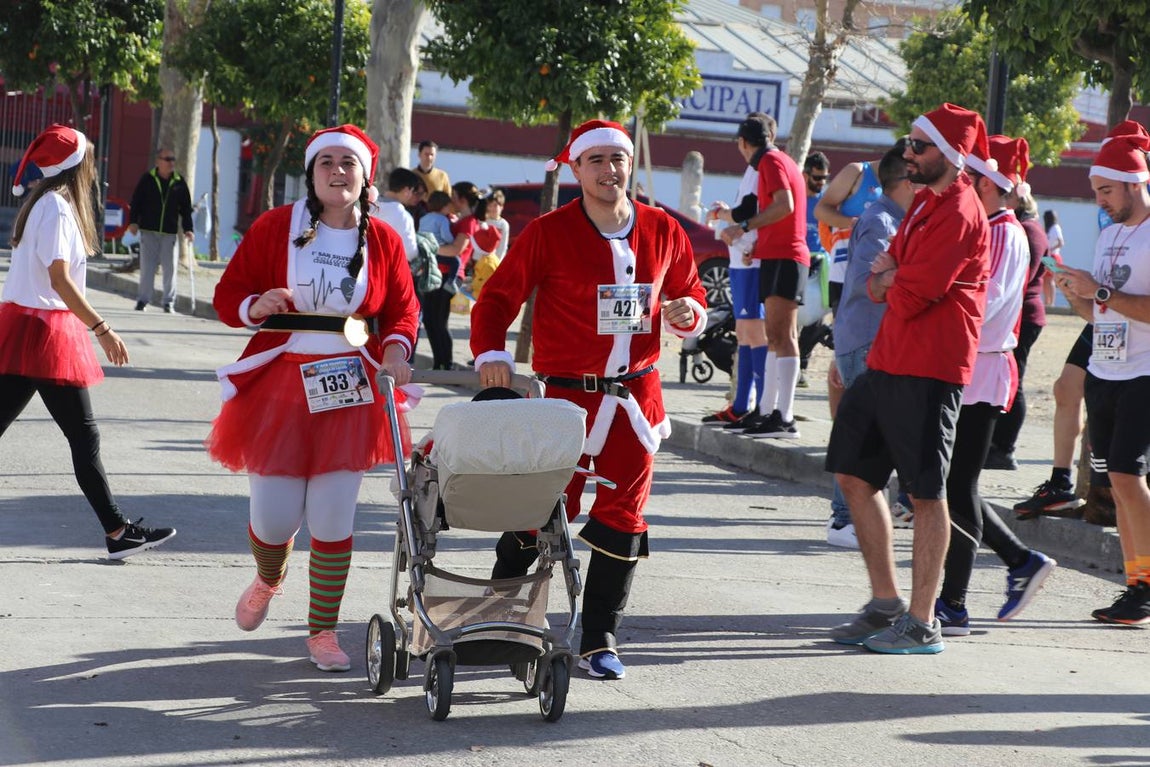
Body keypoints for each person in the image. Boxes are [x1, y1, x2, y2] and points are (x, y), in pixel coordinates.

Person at [472, 119, 707, 680]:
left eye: (617, 159)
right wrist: (490, 355)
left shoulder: (662, 228)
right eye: (595, 160)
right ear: (575, 168)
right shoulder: (549, 232)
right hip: (565, 399)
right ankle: (503, 616)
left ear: (629, 165)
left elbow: (691, 292)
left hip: (636, 400)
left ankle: (599, 635)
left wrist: (688, 314)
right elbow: (497, 299)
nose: (609, 170)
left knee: (624, 515)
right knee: (539, 507)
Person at [205, 124, 420, 671]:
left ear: (365, 176)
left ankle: (322, 632)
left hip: (350, 386)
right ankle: (268, 576)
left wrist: (396, 347)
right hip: (279, 384)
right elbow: (228, 296)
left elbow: (402, 309)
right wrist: (257, 305)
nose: (337, 172)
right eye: (326, 162)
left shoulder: (385, 241)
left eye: (348, 163)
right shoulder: (278, 226)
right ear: (311, 172)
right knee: (275, 520)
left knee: (332, 518)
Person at [825, 103, 991, 654]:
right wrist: (894, 278)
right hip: (889, 359)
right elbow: (876, 278)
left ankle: (922, 623)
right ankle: (885, 603)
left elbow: (913, 290)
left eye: (918, 146)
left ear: (948, 154)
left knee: (925, 493)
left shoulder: (961, 211)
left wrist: (893, 278)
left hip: (930, 368)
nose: (908, 154)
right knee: (851, 474)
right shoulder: (923, 203)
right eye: (908, 143)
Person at [1, 124, 176, 560]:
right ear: (77, 166)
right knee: (85, 436)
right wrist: (102, 328)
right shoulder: (58, 208)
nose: (94, 168)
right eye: (90, 159)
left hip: (29, 330)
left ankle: (118, 530)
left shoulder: (42, 201)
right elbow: (60, 279)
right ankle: (118, 532)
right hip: (44, 335)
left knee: (82, 436)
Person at [934, 134, 1056, 635]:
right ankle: (1018, 560)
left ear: (992, 184)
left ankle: (955, 603)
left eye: (971, 179)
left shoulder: (1005, 234)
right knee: (951, 485)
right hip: (971, 366)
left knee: (957, 487)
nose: (962, 185)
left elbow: (983, 310)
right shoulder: (991, 228)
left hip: (981, 369)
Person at [1054, 120, 1150, 625]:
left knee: (1128, 475)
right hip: (1105, 371)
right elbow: (1102, 313)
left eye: (1107, 190)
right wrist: (1079, 297)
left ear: (1135, 183)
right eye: (1095, 192)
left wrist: (1103, 293)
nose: (1100, 201)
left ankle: (1146, 583)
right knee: (1115, 480)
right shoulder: (1109, 234)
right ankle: (1136, 584)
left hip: (1144, 373)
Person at [825, 143, 915, 548]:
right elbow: (866, 282)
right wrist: (903, 273)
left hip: (863, 337)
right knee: (863, 437)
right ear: (907, 180)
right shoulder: (882, 221)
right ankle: (846, 520)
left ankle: (865, 515)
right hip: (866, 339)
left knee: (874, 434)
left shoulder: (890, 217)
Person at [719, 112, 809, 439]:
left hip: (786, 257)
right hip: (777, 254)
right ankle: (769, 412)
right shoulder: (779, 160)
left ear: (744, 143)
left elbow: (783, 205)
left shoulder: (770, 163)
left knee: (782, 337)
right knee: (776, 336)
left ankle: (783, 418)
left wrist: (744, 226)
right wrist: (758, 245)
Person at [702, 138, 767, 425]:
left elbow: (749, 213)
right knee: (745, 334)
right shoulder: (753, 169)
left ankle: (761, 408)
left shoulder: (763, 167)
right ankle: (741, 405)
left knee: (755, 334)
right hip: (741, 261)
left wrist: (721, 214)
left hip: (751, 261)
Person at [986, 189, 1049, 470]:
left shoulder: (1027, 231)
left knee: (1015, 381)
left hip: (1025, 315)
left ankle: (1005, 448)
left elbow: (1026, 272)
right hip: (1022, 312)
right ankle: (997, 444)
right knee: (1011, 379)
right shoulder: (1028, 228)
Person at [421, 181, 480, 370]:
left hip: (449, 275)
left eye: (454, 196)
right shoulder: (453, 218)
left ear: (462, 199)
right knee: (430, 320)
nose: (451, 199)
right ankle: (439, 362)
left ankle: (445, 363)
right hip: (435, 271)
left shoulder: (469, 222)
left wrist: (428, 247)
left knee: (439, 320)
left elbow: (456, 249)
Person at [128, 147, 194, 313]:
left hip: (170, 233)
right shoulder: (147, 179)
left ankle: (168, 302)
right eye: (167, 159)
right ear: (158, 161)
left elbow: (186, 209)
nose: (171, 162)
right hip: (148, 231)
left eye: (173, 159)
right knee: (147, 267)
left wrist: (188, 229)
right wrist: (133, 222)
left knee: (170, 269)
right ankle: (143, 300)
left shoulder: (179, 182)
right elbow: (136, 201)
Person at [797, 151, 832, 388]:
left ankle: (801, 366)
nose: (820, 183)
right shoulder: (795, 199)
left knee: (815, 321)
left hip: (820, 266)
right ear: (805, 174)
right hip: (797, 263)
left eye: (824, 178)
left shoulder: (827, 202)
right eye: (817, 177)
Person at [371, 167, 425, 261]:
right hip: (388, 268)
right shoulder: (403, 216)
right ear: (406, 190)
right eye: (413, 191)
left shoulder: (369, 205)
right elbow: (410, 254)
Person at [1043, 209, 1065, 306]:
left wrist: (1050, 249)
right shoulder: (1049, 229)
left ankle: (1051, 303)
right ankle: (1047, 302)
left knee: (1050, 279)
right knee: (1046, 280)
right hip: (1048, 256)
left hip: (1053, 256)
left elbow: (1061, 242)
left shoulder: (1056, 227)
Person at [483, 188, 510, 259]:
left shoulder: (503, 224)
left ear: (501, 207)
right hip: (479, 260)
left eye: (495, 205)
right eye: (490, 205)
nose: (492, 208)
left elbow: (503, 245)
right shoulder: (483, 221)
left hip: (494, 260)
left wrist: (498, 261)